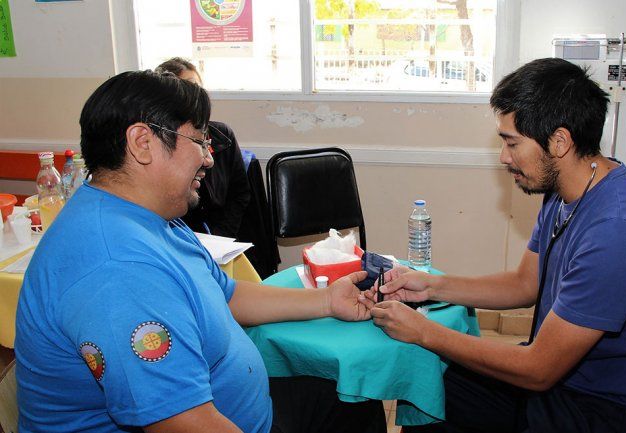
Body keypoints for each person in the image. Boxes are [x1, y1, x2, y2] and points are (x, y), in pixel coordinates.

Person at [15, 70, 384, 433]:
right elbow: (182, 422)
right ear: (142, 143)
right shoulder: (118, 269)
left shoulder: (149, 215)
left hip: (243, 410)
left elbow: (225, 293)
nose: (209, 158)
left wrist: (327, 301)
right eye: (199, 140)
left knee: (354, 398)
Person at [368, 58, 626, 433]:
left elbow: (538, 370)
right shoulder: (566, 192)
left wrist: (424, 332)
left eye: (512, 143)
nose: (504, 156)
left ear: (560, 141)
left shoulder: (618, 230)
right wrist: (432, 285)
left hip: (613, 413)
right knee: (430, 389)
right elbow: (524, 284)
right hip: (568, 387)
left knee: (436, 380)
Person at [154, 57, 250, 239]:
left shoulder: (222, 135)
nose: (208, 160)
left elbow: (239, 194)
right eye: (189, 87)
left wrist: (221, 237)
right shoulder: (162, 144)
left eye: (199, 87)